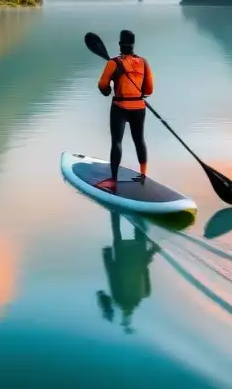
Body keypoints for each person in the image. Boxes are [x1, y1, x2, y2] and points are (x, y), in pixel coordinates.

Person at [96, 29, 153, 192]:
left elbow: (102, 85)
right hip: (139, 108)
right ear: (133, 45)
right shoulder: (143, 62)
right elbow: (149, 90)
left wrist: (107, 90)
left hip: (120, 108)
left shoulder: (113, 63)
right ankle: (143, 175)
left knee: (117, 142)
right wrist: (139, 92)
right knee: (139, 140)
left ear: (120, 44)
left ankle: (113, 180)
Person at [95, 210, 160, 334]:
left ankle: (128, 212)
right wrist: (107, 255)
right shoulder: (126, 297)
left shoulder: (141, 295)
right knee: (122, 233)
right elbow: (113, 276)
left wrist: (152, 251)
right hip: (128, 258)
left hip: (131, 257)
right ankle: (122, 211)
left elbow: (143, 271)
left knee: (132, 233)